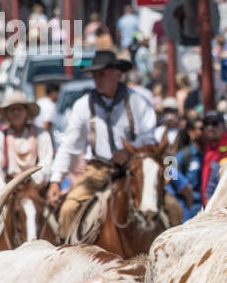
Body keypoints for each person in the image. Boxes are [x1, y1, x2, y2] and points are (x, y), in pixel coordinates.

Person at [47, 49, 157, 239]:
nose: (97, 79)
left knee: (172, 208)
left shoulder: (138, 102)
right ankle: (67, 257)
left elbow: (150, 138)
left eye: (102, 74)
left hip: (134, 170)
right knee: (68, 208)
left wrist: (130, 151)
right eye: (95, 75)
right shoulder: (83, 105)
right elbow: (70, 145)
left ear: (117, 74)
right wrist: (56, 179)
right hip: (97, 171)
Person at [0, 88, 54, 196]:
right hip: (7, 191)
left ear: (26, 112)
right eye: (12, 109)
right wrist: (5, 189)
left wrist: (30, 180)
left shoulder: (41, 135)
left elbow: (46, 163)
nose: (16, 113)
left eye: (19, 109)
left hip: (36, 189)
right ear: (7, 113)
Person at [198, 110, 227, 208]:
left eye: (214, 123)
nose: (210, 127)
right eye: (206, 124)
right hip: (205, 206)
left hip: (222, 207)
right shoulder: (207, 147)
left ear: (224, 126)